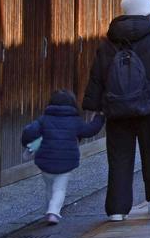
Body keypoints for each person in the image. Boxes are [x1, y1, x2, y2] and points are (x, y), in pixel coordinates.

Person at [83, 0, 150, 222]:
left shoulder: (109, 41)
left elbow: (98, 76)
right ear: (146, 13)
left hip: (116, 110)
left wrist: (93, 105)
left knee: (119, 159)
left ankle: (117, 210)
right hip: (149, 108)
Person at [22, 90, 105, 225]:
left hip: (45, 161)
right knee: (59, 188)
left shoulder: (44, 119)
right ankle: (53, 212)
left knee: (49, 187)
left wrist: (27, 144)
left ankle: (49, 209)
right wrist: (99, 118)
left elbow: (29, 131)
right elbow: (89, 130)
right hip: (66, 162)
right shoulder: (75, 121)